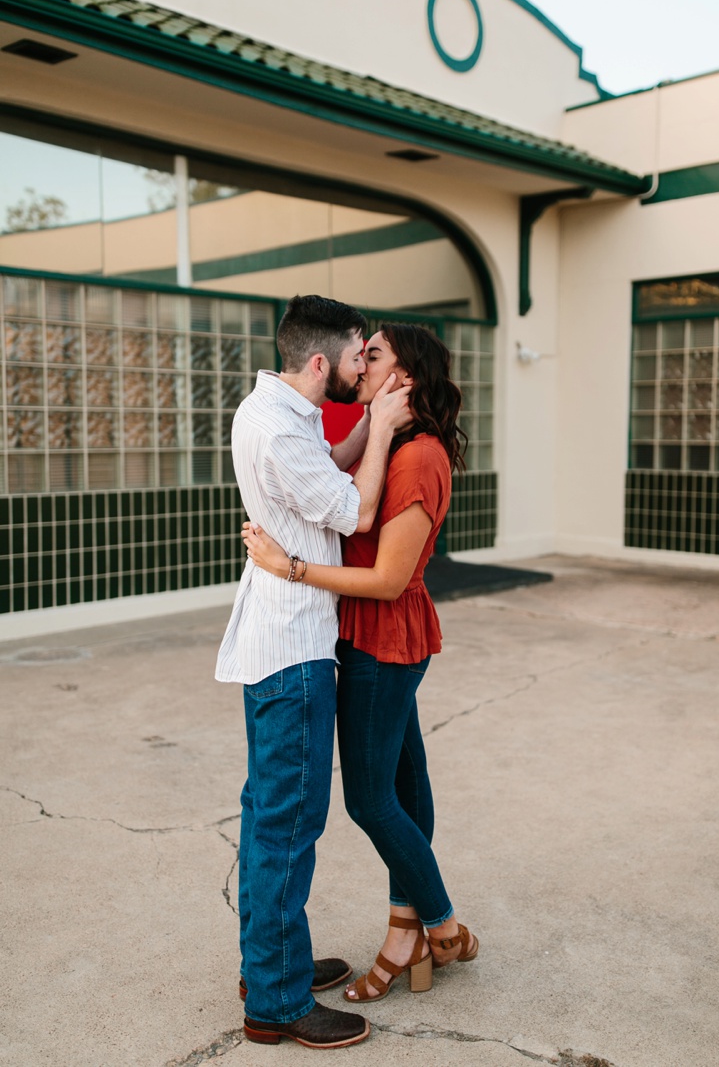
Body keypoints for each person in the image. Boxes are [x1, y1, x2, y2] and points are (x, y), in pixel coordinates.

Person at [243, 323, 479, 1005]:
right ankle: (406, 931)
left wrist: (288, 566)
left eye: (375, 356)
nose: (361, 364)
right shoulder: (395, 446)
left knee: (371, 799)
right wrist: (373, 429)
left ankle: (441, 924)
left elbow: (385, 579)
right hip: (370, 639)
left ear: (405, 379)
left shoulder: (417, 458)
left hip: (383, 643)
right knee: (406, 781)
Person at [215, 294, 411, 1050]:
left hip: (279, 641)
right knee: (288, 826)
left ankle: (275, 963)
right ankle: (276, 1000)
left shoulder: (273, 412)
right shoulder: (277, 431)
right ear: (322, 362)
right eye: (360, 355)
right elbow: (357, 513)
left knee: (272, 814)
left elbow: (324, 470)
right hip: (294, 651)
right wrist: (389, 431)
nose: (366, 366)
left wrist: (366, 425)